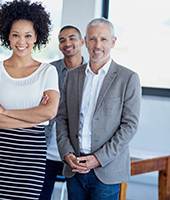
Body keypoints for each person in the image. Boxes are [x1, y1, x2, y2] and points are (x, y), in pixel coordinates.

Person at [0, 0, 60, 199]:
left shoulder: (47, 72)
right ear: (8, 35)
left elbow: (49, 112)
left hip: (31, 158)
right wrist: (33, 118)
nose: (21, 41)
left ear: (36, 37)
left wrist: (3, 111)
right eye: (15, 35)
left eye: (28, 35)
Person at [56, 17, 141, 200]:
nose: (97, 44)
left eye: (103, 39)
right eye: (92, 39)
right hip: (75, 168)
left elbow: (129, 126)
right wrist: (66, 153)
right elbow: (62, 118)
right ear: (85, 42)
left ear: (113, 42)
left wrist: (99, 158)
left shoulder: (128, 78)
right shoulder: (72, 76)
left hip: (106, 172)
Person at [39, 25, 86, 200]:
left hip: (76, 153)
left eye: (72, 38)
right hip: (46, 150)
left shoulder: (91, 73)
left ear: (82, 42)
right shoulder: (49, 71)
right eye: (62, 40)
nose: (67, 43)